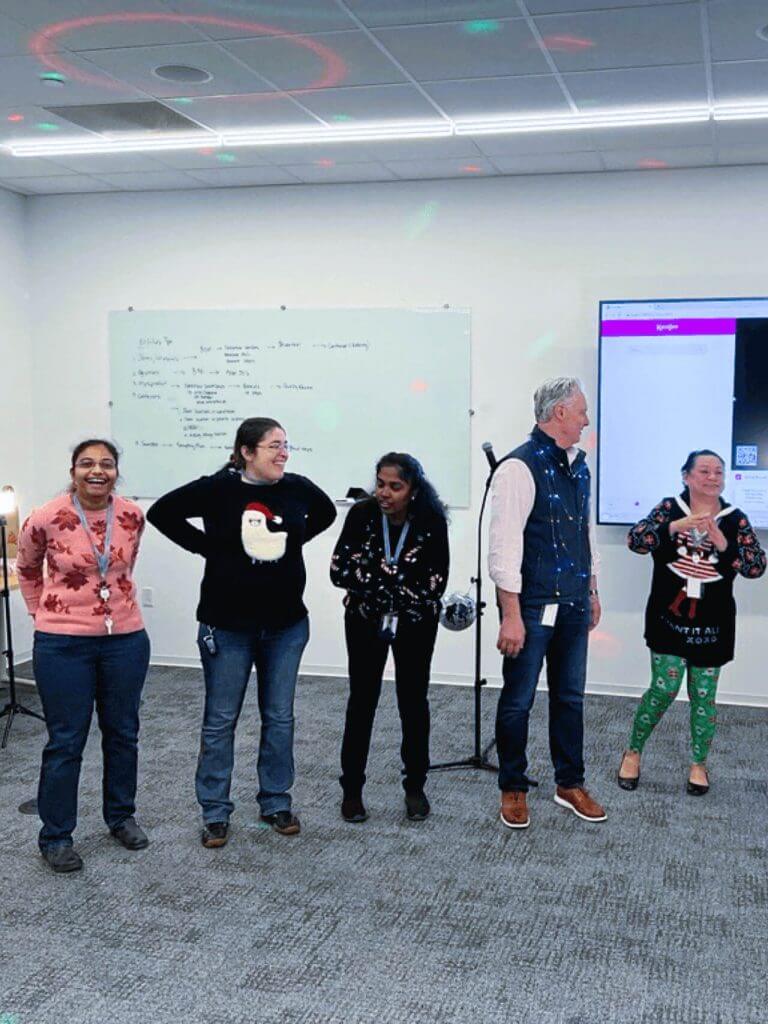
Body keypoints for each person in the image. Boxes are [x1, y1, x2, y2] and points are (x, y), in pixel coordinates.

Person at [146, 418, 335, 846]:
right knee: (220, 720)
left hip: (286, 626)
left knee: (280, 717)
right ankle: (214, 811)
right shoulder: (218, 488)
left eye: (286, 445)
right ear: (247, 452)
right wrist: (206, 546)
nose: (283, 453)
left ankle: (275, 801)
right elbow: (162, 513)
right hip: (227, 626)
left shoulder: (297, 487)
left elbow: (323, 514)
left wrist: (293, 541)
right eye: (273, 446)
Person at [16, 439, 150, 873]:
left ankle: (120, 817)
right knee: (66, 741)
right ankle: (56, 836)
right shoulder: (47, 515)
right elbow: (26, 567)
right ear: (73, 470)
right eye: (87, 464)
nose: (98, 471)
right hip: (63, 644)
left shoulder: (131, 515)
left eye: (106, 464)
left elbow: (122, 570)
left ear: (116, 471)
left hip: (125, 640)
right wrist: (42, 613)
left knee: (123, 732)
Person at [490, 377, 606, 830]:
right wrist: (512, 616)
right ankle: (513, 787)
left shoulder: (581, 466)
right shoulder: (517, 468)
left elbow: (585, 532)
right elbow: (503, 550)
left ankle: (569, 783)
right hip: (533, 608)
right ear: (559, 414)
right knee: (518, 701)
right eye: (581, 412)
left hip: (575, 602)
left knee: (570, 696)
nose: (586, 420)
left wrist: (592, 590)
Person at [618, 450, 765, 795]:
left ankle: (699, 764)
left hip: (713, 625)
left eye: (719, 472)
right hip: (668, 620)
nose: (712, 477)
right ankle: (633, 752)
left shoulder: (735, 519)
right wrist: (672, 528)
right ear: (686, 476)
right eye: (704, 471)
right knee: (665, 689)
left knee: (704, 697)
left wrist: (723, 543)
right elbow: (636, 541)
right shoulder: (670, 509)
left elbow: (756, 567)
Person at [330, 453, 449, 823]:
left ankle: (415, 787)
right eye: (380, 483)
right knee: (361, 702)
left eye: (395, 486)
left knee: (413, 702)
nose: (384, 492)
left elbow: (435, 583)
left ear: (413, 489)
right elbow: (339, 570)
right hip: (365, 621)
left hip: (415, 624)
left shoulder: (431, 520)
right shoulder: (361, 515)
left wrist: (378, 581)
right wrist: (393, 582)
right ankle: (351, 792)